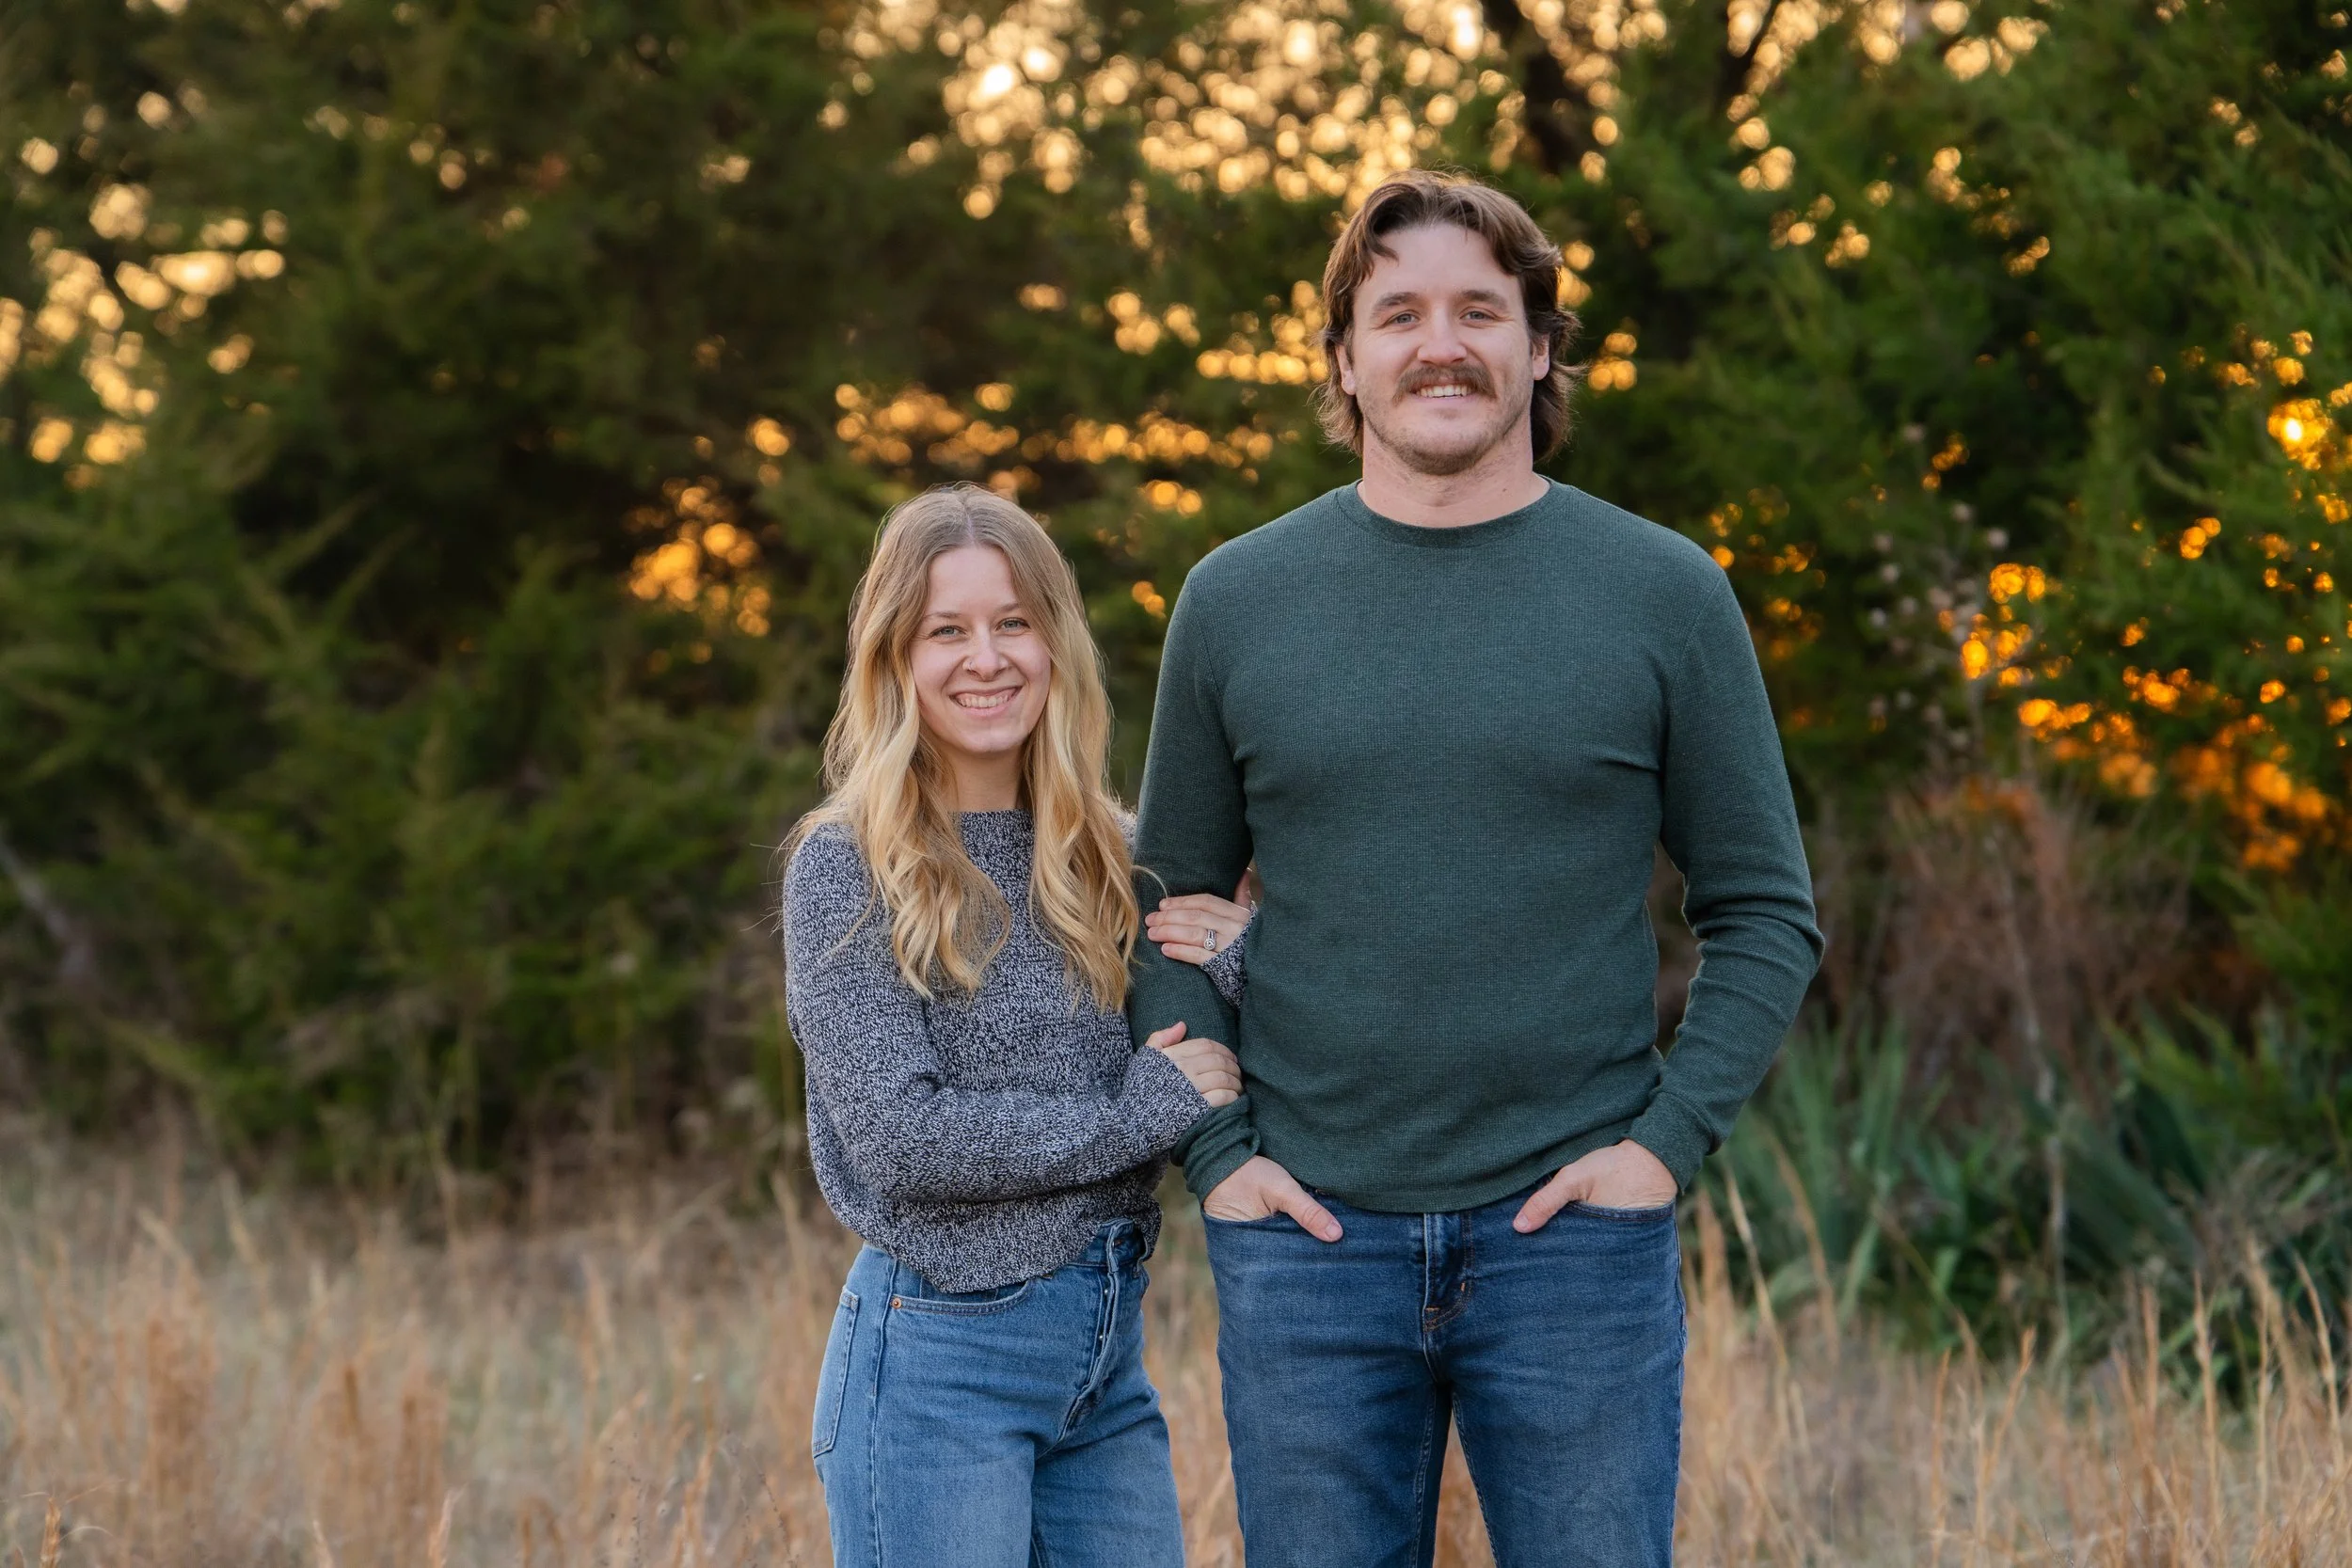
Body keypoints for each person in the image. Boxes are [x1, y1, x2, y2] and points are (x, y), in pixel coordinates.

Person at [1128, 170, 1826, 1567]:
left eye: (1478, 310)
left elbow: (1764, 910)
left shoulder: (1662, 590)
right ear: (1343, 355)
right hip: (1307, 1241)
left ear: (1541, 345)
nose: (1439, 343)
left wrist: (1661, 1147)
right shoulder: (1236, 599)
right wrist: (1220, 1161)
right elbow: (1160, 916)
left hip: (1575, 1242)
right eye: (1398, 313)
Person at [781, 483, 1247, 1568]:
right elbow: (903, 1139)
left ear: (1055, 643)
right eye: (946, 629)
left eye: (1012, 623)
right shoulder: (845, 864)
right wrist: (1134, 1116)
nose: (984, 657)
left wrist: (1244, 959)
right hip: (938, 1364)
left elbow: (1226, 1063)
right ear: (895, 655)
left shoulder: (1114, 853)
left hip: (1105, 1360)